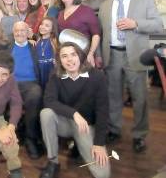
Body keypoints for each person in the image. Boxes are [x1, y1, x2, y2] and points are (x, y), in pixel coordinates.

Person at [98, 0, 163, 153]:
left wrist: (136, 24)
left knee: (139, 97)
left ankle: (139, 135)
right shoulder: (105, 5)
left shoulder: (145, 1)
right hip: (112, 54)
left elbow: (158, 25)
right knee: (113, 97)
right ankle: (114, 129)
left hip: (135, 55)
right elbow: (102, 34)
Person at [40, 42, 110, 178]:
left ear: (80, 56)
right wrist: (73, 113)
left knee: (103, 174)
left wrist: (99, 143)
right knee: (46, 114)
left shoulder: (97, 76)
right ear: (59, 60)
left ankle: (78, 145)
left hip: (85, 126)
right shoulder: (55, 75)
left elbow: (103, 111)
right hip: (64, 122)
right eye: (64, 56)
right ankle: (52, 161)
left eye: (73, 54)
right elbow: (49, 100)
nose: (70, 59)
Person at [9, 21, 43, 159]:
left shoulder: (34, 47)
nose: (19, 33)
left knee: (35, 94)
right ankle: (8, 135)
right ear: (13, 32)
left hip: (31, 84)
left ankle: (30, 138)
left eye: (22, 30)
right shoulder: (7, 47)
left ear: (28, 32)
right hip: (11, 84)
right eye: (16, 30)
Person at [58, 0, 101, 67]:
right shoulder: (60, 14)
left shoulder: (86, 10)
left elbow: (96, 34)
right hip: (66, 58)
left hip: (83, 55)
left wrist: (91, 53)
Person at [36, 17, 57, 90]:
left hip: (48, 69)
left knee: (48, 87)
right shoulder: (38, 40)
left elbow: (56, 53)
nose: (43, 27)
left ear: (52, 29)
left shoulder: (53, 41)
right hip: (39, 68)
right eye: (42, 24)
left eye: (47, 25)